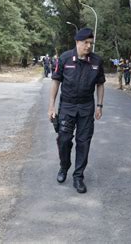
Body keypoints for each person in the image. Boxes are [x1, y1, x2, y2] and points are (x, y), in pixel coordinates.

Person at [48, 28, 106, 193]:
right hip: (67, 106)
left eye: (90, 43)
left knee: (84, 142)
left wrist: (100, 105)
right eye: (85, 43)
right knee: (64, 140)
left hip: (87, 107)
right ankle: (64, 166)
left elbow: (100, 84)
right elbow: (56, 82)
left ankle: (78, 176)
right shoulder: (65, 58)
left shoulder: (96, 61)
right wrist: (51, 106)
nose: (88, 46)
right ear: (77, 42)